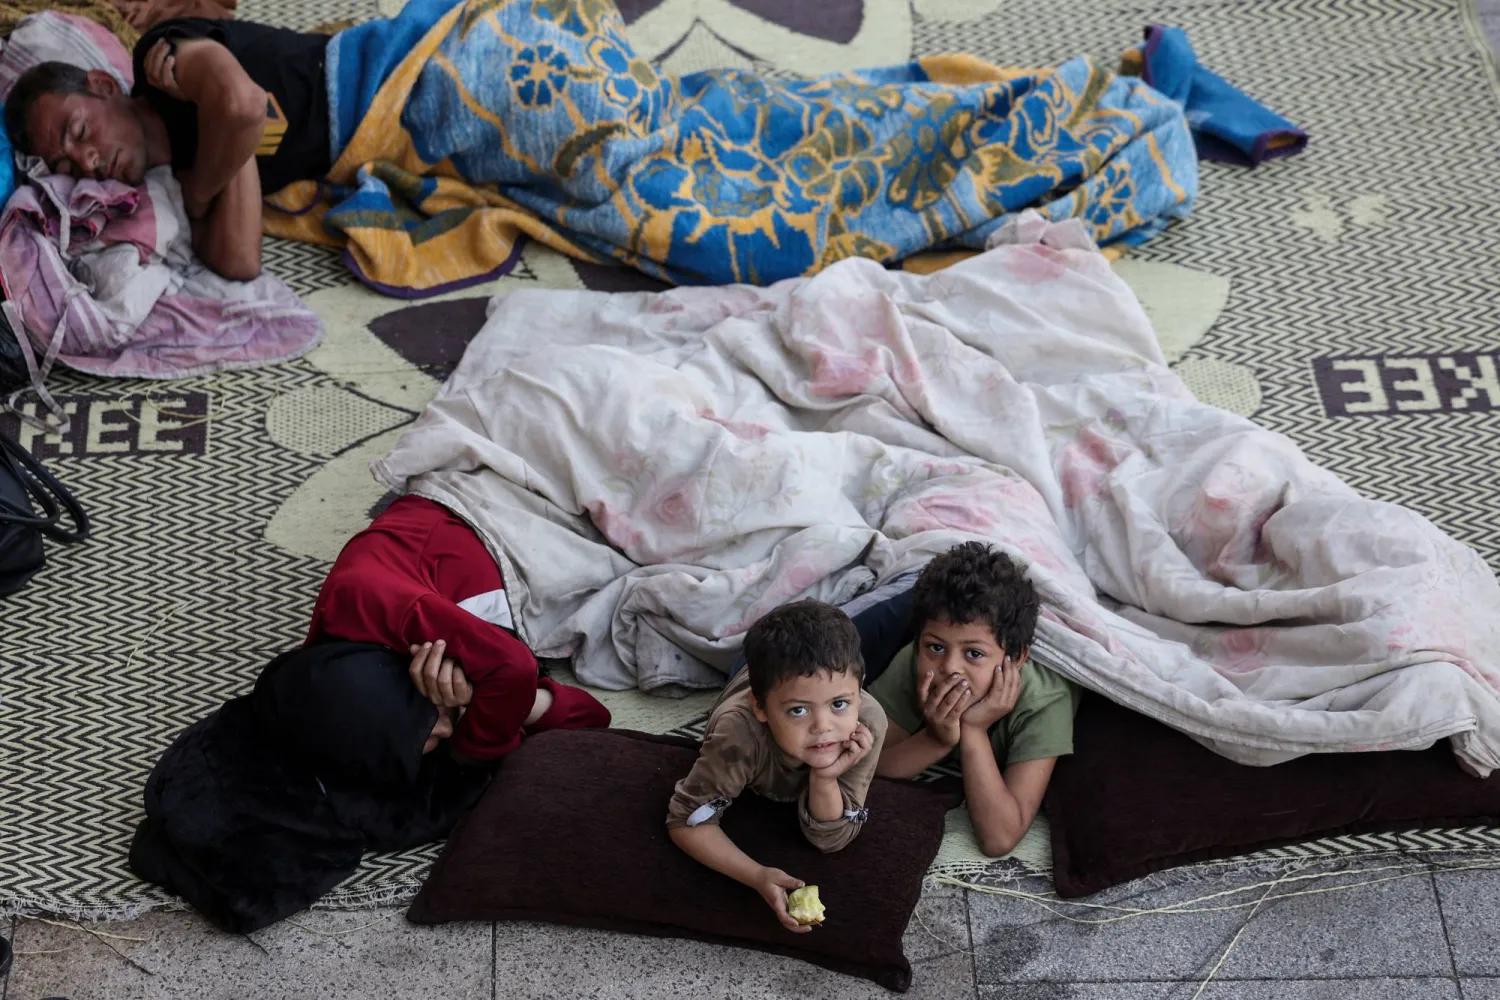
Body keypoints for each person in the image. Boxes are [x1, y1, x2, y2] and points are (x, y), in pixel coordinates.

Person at [4, 10, 330, 280]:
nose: (88, 163)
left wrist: (201, 192)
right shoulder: (174, 185)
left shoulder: (159, 59)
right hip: (350, 153)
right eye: (68, 168)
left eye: (79, 131)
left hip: (364, 76)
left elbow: (245, 106)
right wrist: (213, 120)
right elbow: (240, 262)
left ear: (103, 86)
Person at [308, 494, 611, 764]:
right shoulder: (370, 689)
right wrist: (477, 699)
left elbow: (515, 668)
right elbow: (591, 718)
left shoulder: (375, 606)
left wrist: (470, 751)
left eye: (423, 729)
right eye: (435, 740)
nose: (448, 730)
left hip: (478, 506)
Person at [666, 599, 888, 933]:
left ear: (859, 690)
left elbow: (832, 838)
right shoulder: (738, 736)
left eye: (839, 704)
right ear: (761, 708)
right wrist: (756, 875)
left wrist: (825, 777)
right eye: (799, 711)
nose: (823, 727)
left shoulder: (866, 723)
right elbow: (685, 821)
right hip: (750, 685)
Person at [871, 541, 1078, 857]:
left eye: (974, 653)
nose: (950, 668)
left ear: (1017, 657)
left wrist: (973, 730)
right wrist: (937, 740)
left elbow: (999, 837)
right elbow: (867, 766)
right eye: (936, 647)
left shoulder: (1043, 702)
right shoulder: (914, 663)